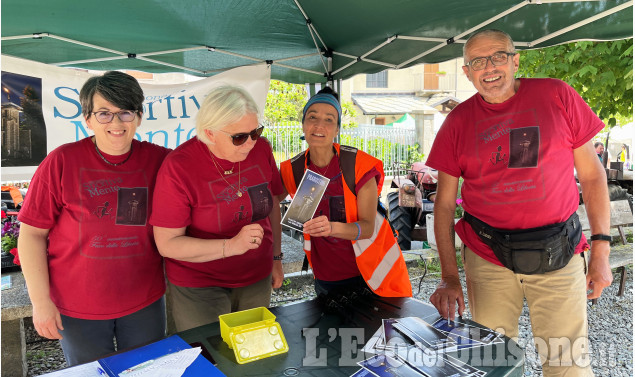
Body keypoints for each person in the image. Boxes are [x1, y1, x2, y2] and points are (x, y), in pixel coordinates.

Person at [427, 29, 612, 377]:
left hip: (560, 250)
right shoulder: (457, 122)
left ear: (515, 60)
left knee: (567, 363)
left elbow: (591, 176)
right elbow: (445, 205)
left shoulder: (557, 94)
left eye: (497, 56)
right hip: (488, 255)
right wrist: (449, 277)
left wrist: (601, 251)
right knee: (493, 361)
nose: (489, 67)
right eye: (477, 62)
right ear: (467, 72)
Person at [17, 71, 170, 366]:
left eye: (125, 112)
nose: (115, 123)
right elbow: (32, 234)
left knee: (147, 370)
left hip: (144, 301)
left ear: (138, 116)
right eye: (104, 113)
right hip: (76, 308)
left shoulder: (162, 161)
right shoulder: (61, 162)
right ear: (87, 119)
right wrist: (40, 302)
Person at [150, 85, 284, 332]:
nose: (250, 144)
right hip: (200, 284)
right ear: (210, 133)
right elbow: (167, 243)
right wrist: (230, 246)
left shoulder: (261, 148)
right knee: (209, 357)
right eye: (239, 137)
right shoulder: (180, 166)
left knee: (252, 353)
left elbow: (273, 202)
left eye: (256, 132)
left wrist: (276, 257)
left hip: (256, 276)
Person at [279, 88, 412, 297]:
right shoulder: (293, 169)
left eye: (329, 119)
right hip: (325, 277)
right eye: (312, 117)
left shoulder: (358, 165)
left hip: (371, 276)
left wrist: (331, 228)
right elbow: (266, 203)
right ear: (303, 124)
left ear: (337, 129)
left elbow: (367, 228)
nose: (319, 125)